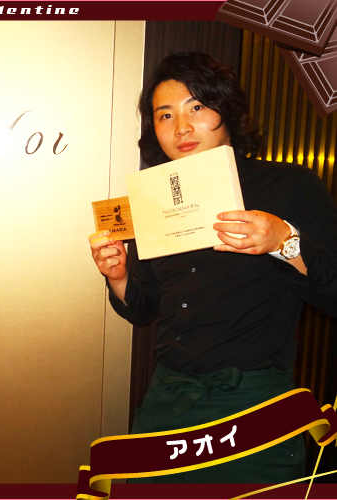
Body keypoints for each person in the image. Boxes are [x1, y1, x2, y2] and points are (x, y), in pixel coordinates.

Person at [89, 52, 337, 483]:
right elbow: (145, 308)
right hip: (168, 401)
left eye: (197, 107)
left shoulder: (290, 185)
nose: (181, 127)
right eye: (165, 115)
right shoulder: (154, 198)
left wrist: (284, 241)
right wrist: (120, 277)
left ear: (227, 109)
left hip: (255, 405)